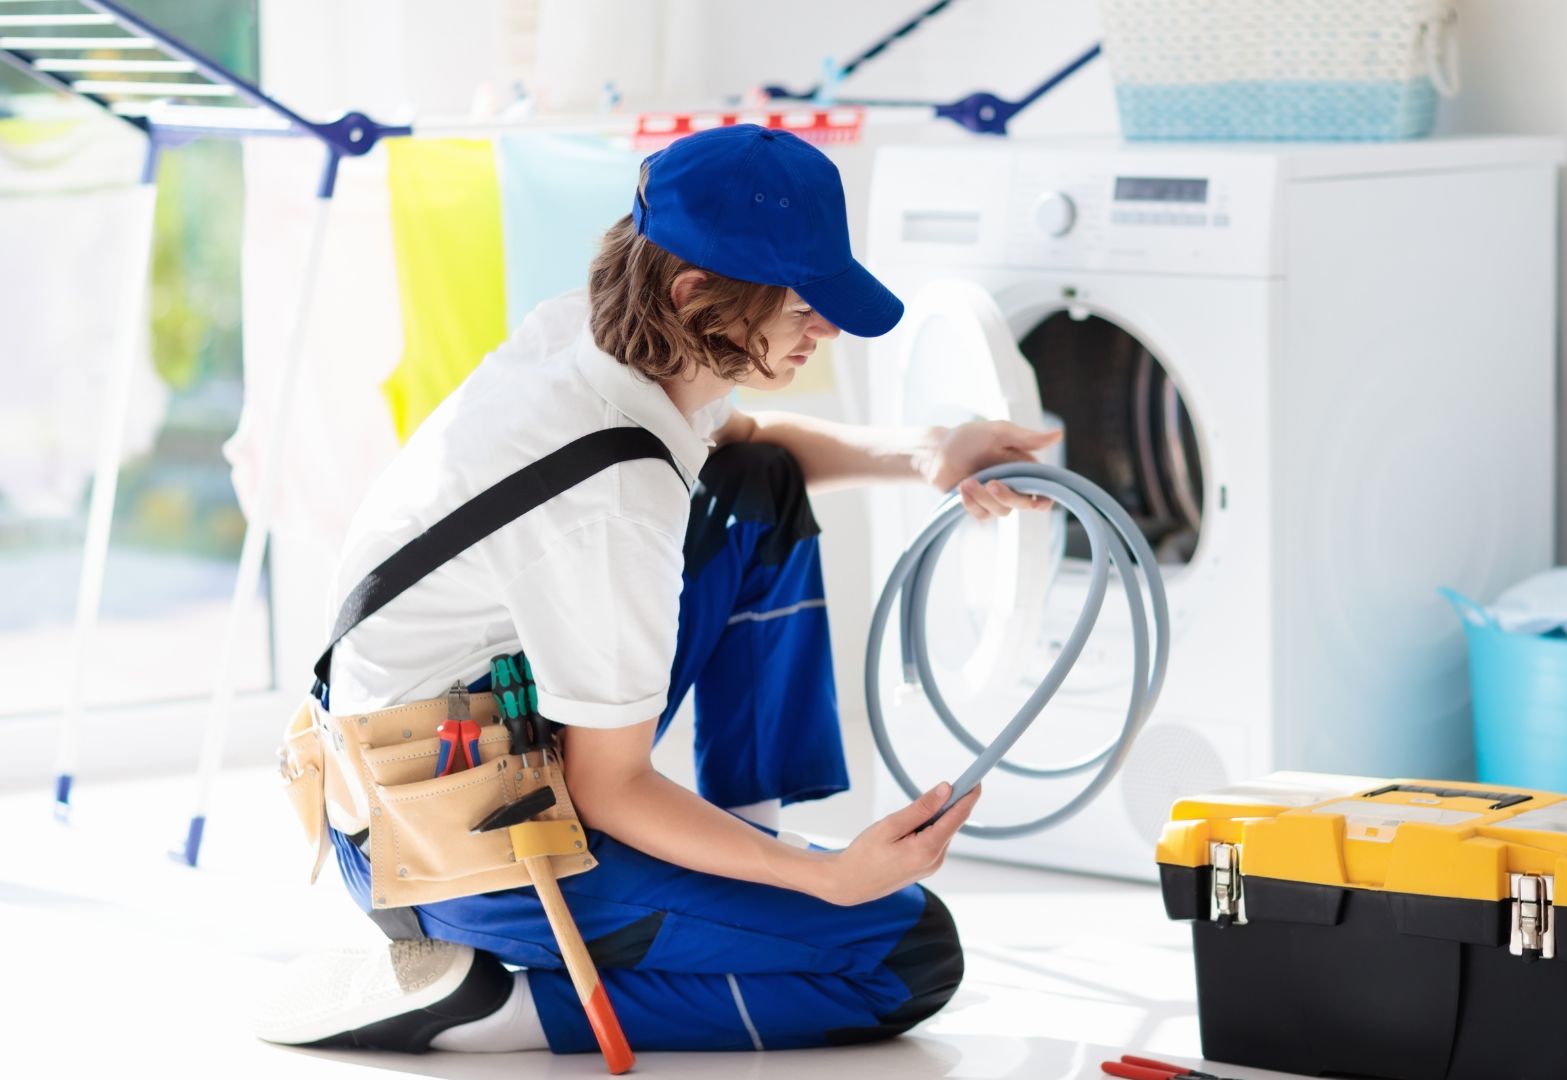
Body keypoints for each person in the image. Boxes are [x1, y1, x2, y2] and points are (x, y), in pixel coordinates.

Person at [256, 125, 1059, 1056]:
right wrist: (826, 879)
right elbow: (611, 786)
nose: (825, 330)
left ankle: (742, 843)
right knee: (904, 955)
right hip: (440, 845)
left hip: (438, 741)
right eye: (803, 307)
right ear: (696, 296)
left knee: (755, 485)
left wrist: (926, 451)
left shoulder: (594, 335)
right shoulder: (612, 503)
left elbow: (745, 435)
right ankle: (491, 1009)